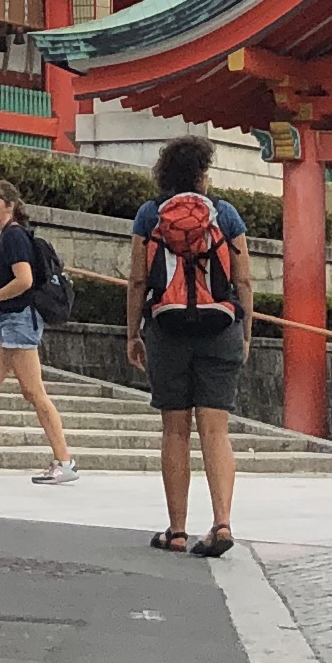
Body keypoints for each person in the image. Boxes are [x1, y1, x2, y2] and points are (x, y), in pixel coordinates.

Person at [127, 135, 248, 557]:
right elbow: (244, 279)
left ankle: (176, 531)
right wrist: (245, 329)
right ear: (201, 173)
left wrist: (132, 332)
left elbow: (139, 279)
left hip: (167, 328)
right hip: (221, 327)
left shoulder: (149, 215)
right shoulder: (226, 214)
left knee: (175, 430)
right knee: (216, 431)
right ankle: (222, 523)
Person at [0, 177, 78, 481]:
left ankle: (64, 461)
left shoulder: (13, 237)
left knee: (33, 392)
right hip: (13, 321)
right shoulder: (11, 236)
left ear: (10, 205)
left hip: (20, 320)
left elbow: (23, 280)